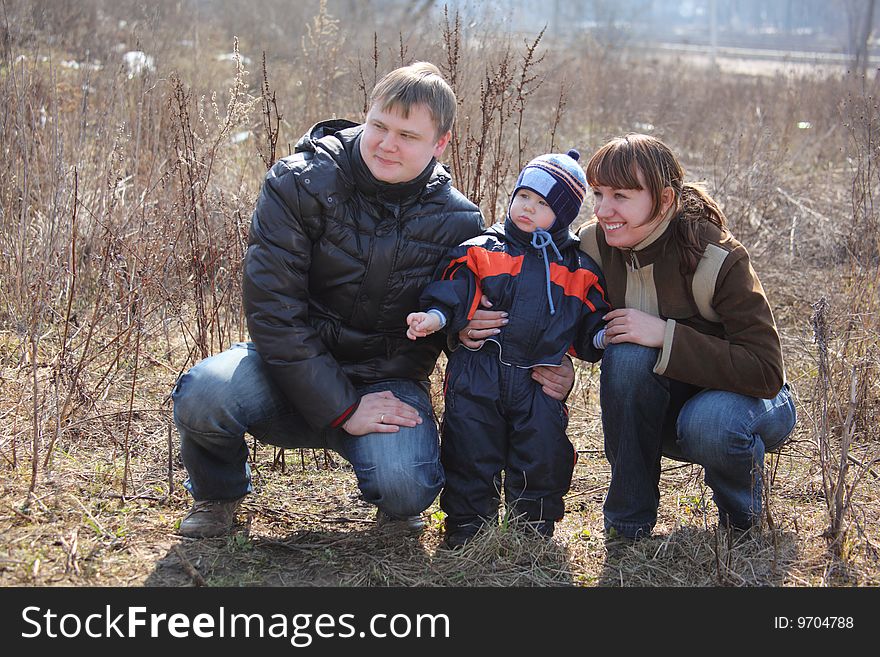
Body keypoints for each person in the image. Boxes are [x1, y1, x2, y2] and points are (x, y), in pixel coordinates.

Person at [170, 62, 568, 538]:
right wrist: (344, 409)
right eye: (378, 125)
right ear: (366, 116)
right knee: (204, 393)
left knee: (406, 485)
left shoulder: (461, 221)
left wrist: (483, 339)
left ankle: (395, 502)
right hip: (284, 371)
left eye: (408, 135)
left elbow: (476, 320)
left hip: (389, 382)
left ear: (440, 145)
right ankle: (218, 496)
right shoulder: (298, 183)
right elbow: (273, 312)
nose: (386, 143)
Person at [577, 133, 797, 539]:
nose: (604, 210)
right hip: (668, 406)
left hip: (751, 403)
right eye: (598, 193)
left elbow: (766, 371)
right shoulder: (594, 244)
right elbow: (558, 309)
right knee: (626, 356)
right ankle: (628, 526)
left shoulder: (717, 256)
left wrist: (665, 334)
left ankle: (742, 523)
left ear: (663, 199)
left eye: (622, 196)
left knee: (710, 421)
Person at [406, 150, 610, 548]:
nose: (528, 209)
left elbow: (591, 319)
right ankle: (467, 526)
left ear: (565, 215)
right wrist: (436, 316)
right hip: (477, 374)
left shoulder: (578, 269)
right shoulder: (483, 250)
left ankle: (532, 528)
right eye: (524, 197)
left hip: (539, 380)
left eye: (544, 204)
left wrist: (601, 337)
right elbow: (455, 290)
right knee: (468, 448)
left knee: (543, 452)